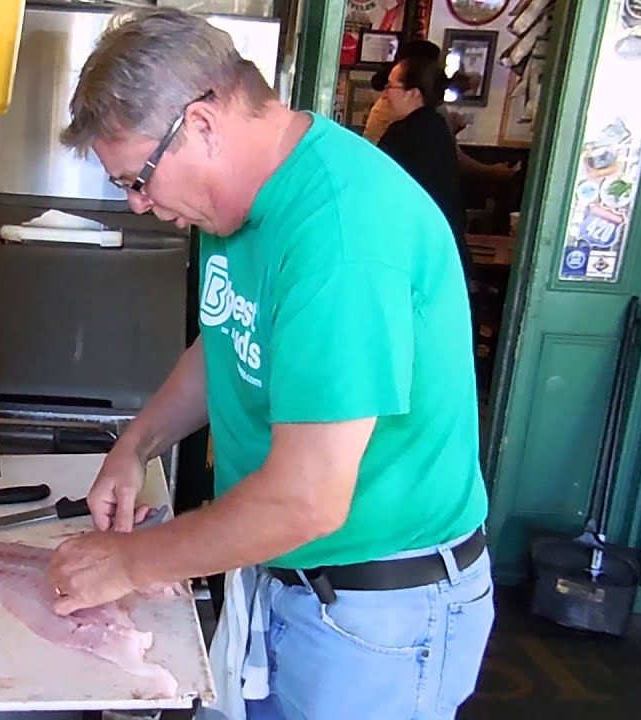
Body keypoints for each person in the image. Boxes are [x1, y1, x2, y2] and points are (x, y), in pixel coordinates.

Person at [47, 8, 494, 719]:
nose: (139, 204)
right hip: (286, 580)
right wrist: (136, 445)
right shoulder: (237, 204)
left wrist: (130, 561)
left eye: (137, 179)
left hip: (377, 618)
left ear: (200, 125)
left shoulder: (344, 234)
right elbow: (227, 336)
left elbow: (306, 498)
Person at [377, 55, 473, 287]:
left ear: (414, 93)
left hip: (413, 253)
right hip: (444, 249)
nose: (385, 94)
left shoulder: (402, 133)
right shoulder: (438, 126)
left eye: (391, 86)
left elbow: (378, 193)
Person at [365, 41, 520, 184]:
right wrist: (493, 172)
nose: (386, 93)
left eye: (390, 86)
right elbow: (450, 159)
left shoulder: (418, 122)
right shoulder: (418, 121)